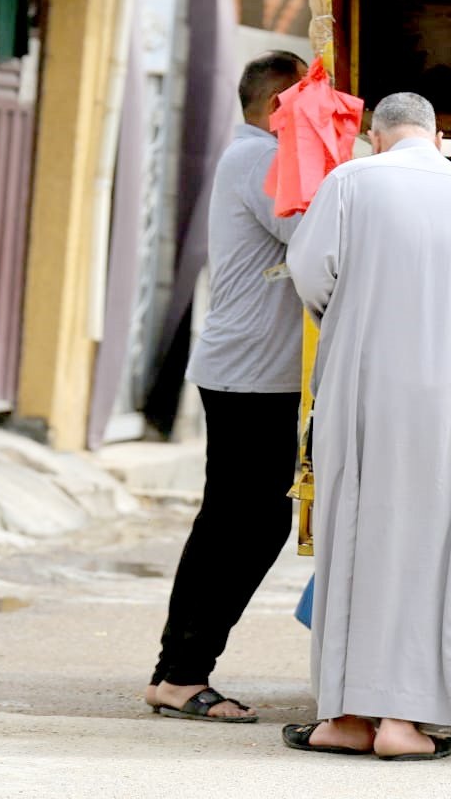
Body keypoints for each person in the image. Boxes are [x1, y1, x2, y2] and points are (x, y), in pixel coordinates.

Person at [283, 92, 451, 760]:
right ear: (437, 138)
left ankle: (345, 717)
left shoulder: (352, 181)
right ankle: (402, 723)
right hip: (446, 399)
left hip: (361, 387)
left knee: (353, 541)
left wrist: (352, 317)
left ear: (376, 137)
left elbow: (309, 273)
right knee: (428, 548)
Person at [144, 50, 308, 722]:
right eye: (305, 105)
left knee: (241, 522)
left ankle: (177, 672)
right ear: (276, 107)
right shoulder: (259, 159)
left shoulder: (259, 156)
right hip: (249, 376)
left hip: (253, 373)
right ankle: (181, 675)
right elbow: (316, 235)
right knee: (243, 525)